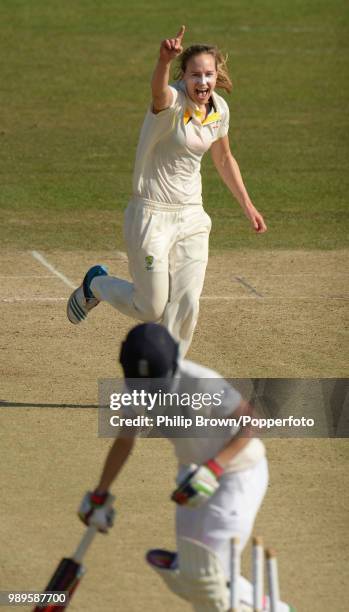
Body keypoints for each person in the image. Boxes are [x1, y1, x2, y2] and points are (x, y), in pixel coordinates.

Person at [67, 26, 267, 357]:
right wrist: (162, 61)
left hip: (191, 215)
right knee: (152, 308)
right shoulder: (171, 103)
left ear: (217, 75)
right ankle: (96, 284)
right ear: (183, 76)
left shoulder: (219, 110)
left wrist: (248, 206)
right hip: (151, 214)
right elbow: (158, 94)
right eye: (195, 75)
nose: (202, 82)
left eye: (208, 75)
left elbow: (224, 157)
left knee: (187, 302)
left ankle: (164, 379)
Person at [78, 323, 293, 611]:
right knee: (192, 576)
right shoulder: (135, 390)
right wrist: (99, 494)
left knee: (207, 575)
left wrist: (215, 468)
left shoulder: (203, 382)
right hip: (192, 478)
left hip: (238, 473)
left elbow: (252, 422)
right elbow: (125, 441)